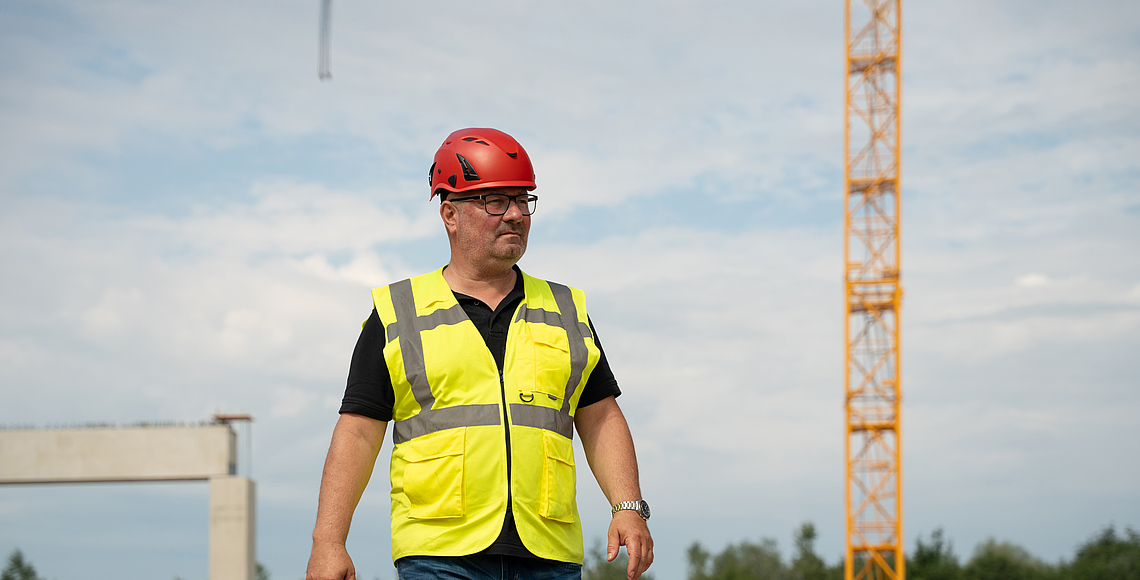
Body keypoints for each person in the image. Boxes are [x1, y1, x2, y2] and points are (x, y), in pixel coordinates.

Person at [306, 128, 653, 580]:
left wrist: (628, 507)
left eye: (522, 200)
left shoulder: (566, 309)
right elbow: (357, 432)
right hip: (439, 553)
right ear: (450, 214)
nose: (515, 214)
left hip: (549, 552)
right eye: (495, 201)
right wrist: (328, 542)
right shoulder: (398, 312)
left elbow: (601, 416)